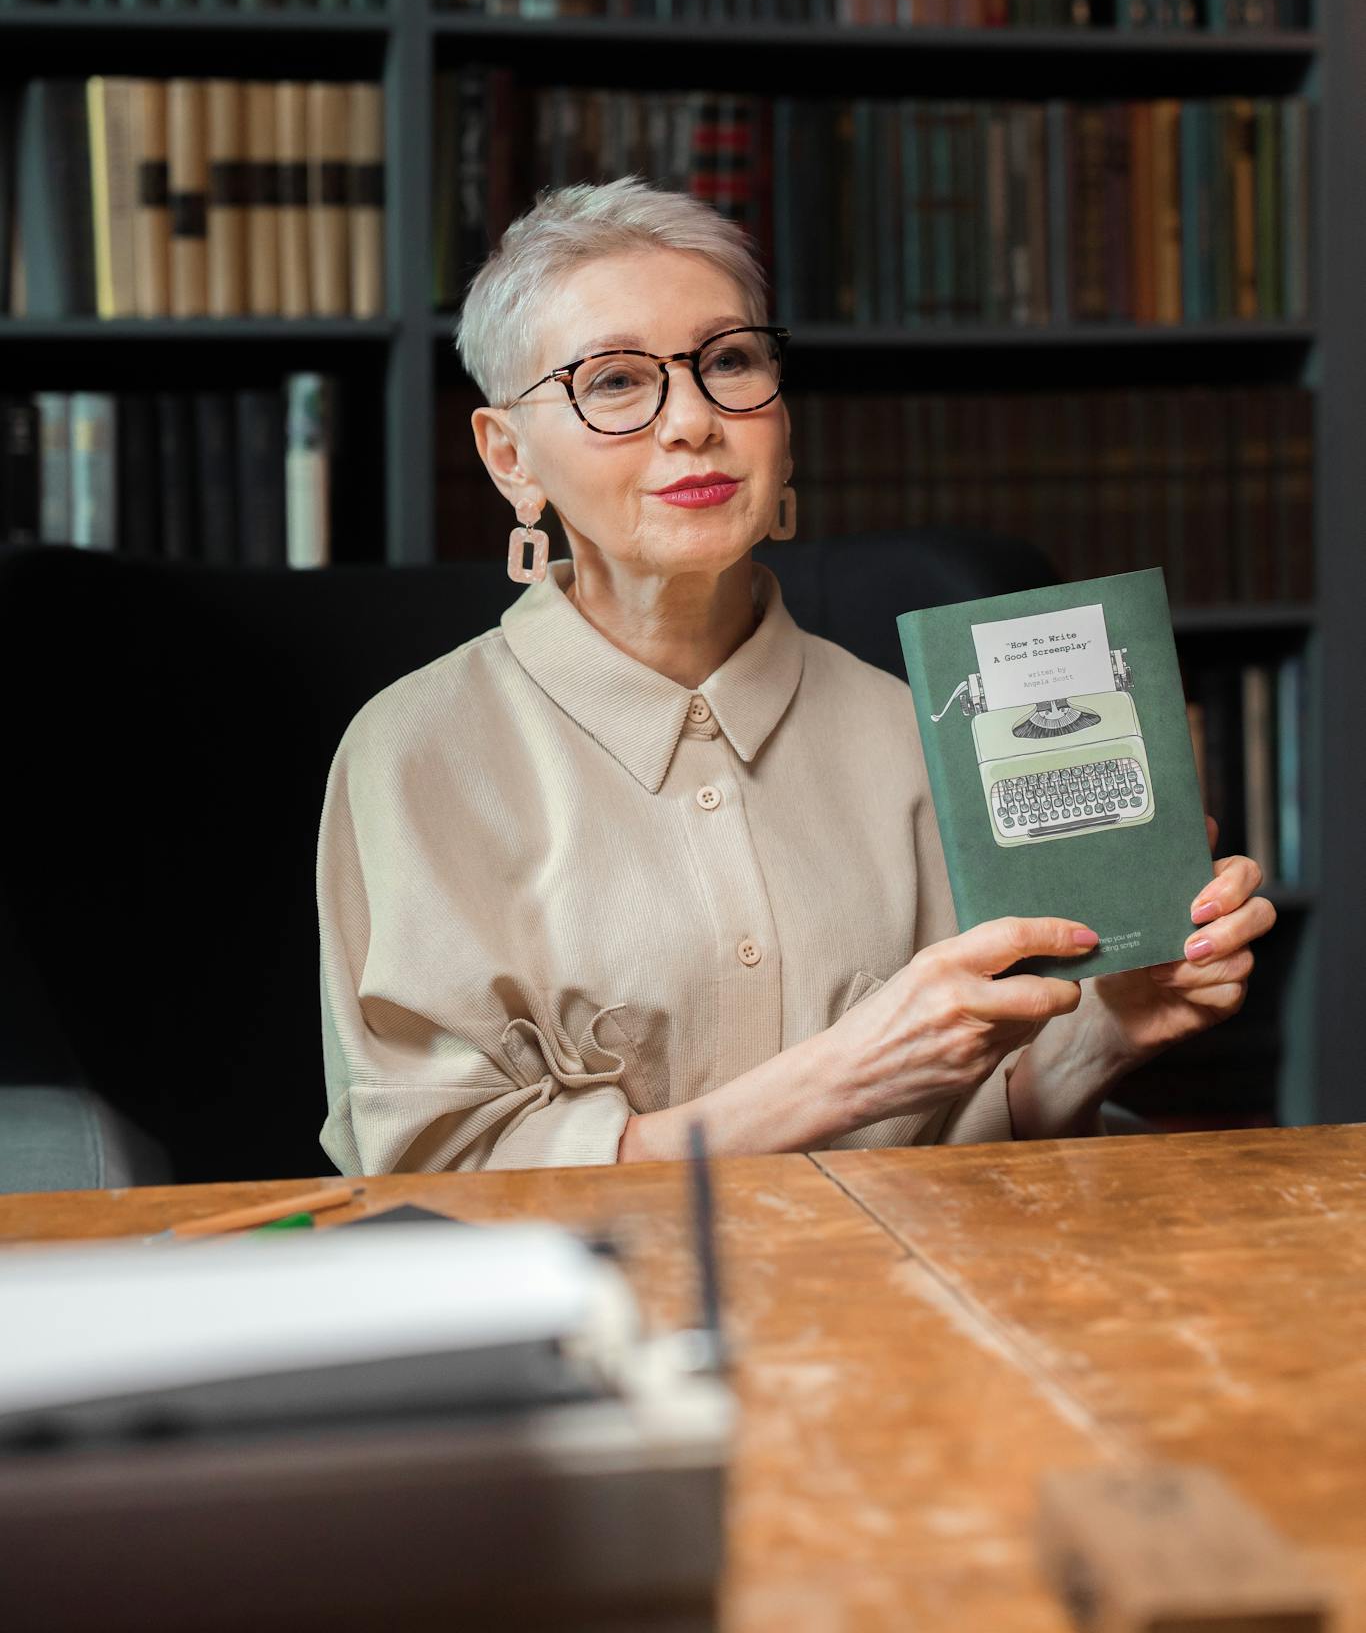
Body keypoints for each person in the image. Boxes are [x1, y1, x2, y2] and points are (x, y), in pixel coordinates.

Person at [317, 178, 1275, 1174]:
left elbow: (975, 1138)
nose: (692, 420)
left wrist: (1104, 1035)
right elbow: (430, 1180)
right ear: (509, 456)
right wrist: (842, 1077)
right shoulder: (414, 752)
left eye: (728, 361)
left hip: (900, 1304)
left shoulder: (923, 727)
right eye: (612, 381)